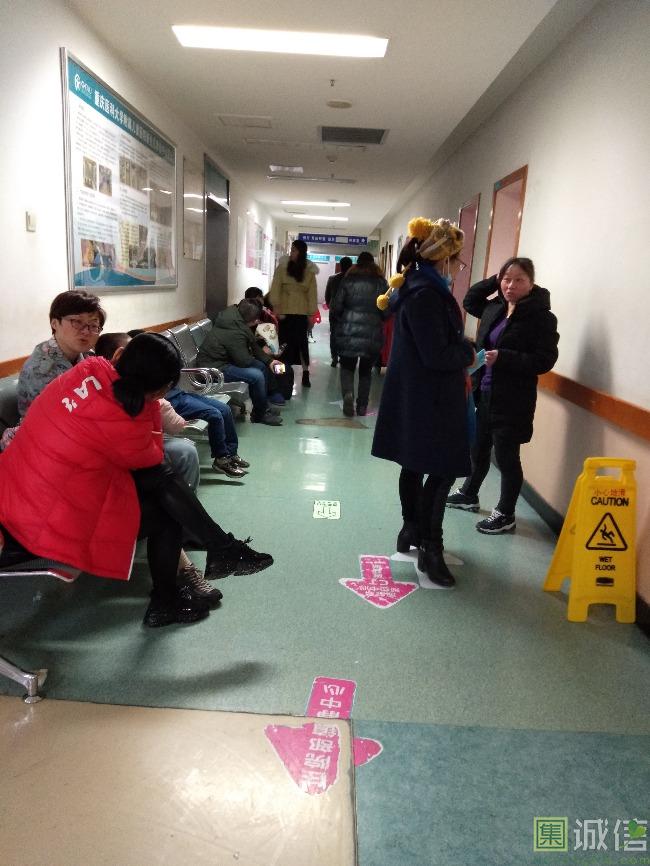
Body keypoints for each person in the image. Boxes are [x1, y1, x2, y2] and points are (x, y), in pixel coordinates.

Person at [0, 334, 274, 628]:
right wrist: (151, 407)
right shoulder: (120, 419)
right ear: (161, 391)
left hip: (20, 494)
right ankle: (193, 576)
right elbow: (155, 457)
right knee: (165, 511)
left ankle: (217, 553)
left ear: (119, 356)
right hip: (38, 521)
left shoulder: (87, 370)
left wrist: (147, 404)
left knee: (160, 491)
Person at [371, 218, 475, 588]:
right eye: (456, 261)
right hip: (430, 399)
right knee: (442, 470)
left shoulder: (414, 286)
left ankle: (411, 530)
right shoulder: (427, 294)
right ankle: (432, 548)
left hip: (416, 395)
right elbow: (437, 354)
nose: (456, 269)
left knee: (415, 464)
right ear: (443, 258)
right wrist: (468, 351)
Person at [447, 257, 559, 533]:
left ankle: (505, 513)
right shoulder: (495, 307)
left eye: (519, 280)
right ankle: (469, 494)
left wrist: (505, 357)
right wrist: (494, 280)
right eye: (507, 279)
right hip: (485, 391)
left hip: (513, 399)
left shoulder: (541, 317)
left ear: (531, 283)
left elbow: (544, 360)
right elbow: (470, 300)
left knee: (507, 457)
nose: (511, 286)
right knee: (478, 447)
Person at [121, 330, 250, 478]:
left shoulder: (157, 360)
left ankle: (231, 453)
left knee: (225, 409)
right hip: (172, 401)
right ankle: (221, 458)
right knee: (214, 414)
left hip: (181, 394)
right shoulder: (138, 371)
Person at [198, 299, 284, 426]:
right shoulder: (234, 330)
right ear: (254, 320)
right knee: (256, 375)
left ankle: (263, 407)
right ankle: (260, 415)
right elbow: (244, 361)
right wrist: (264, 356)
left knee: (261, 366)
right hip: (214, 369)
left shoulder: (235, 319)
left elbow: (252, 345)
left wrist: (270, 361)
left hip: (222, 362)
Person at [330, 252, 387, 417]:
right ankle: (362, 406)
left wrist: (343, 320)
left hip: (348, 331)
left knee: (347, 368)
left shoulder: (348, 281)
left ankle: (348, 394)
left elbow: (336, 307)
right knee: (366, 371)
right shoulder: (381, 283)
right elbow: (386, 311)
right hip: (372, 334)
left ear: (357, 263)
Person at [269, 239, 319, 388]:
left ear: (302, 252)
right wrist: (276, 308)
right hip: (285, 313)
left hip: (302, 314)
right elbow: (275, 288)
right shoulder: (282, 267)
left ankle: (305, 373)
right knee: (283, 346)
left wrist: (311, 314)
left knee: (302, 345)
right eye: (291, 250)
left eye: (294, 250)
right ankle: (280, 376)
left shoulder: (309, 271)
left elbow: (312, 294)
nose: (291, 253)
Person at [325, 256, 352, 367]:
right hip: (348, 312)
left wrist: (330, 306)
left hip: (334, 311)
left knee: (334, 334)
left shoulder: (332, 279)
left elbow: (327, 296)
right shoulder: (354, 280)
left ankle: (334, 357)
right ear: (351, 266)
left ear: (340, 266)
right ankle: (343, 356)